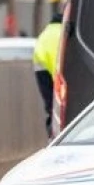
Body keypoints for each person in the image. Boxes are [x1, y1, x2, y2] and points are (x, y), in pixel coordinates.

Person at [33, 9, 63, 138]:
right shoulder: (64, 32)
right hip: (60, 74)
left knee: (51, 109)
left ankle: (52, 137)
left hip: (42, 71)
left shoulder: (44, 34)